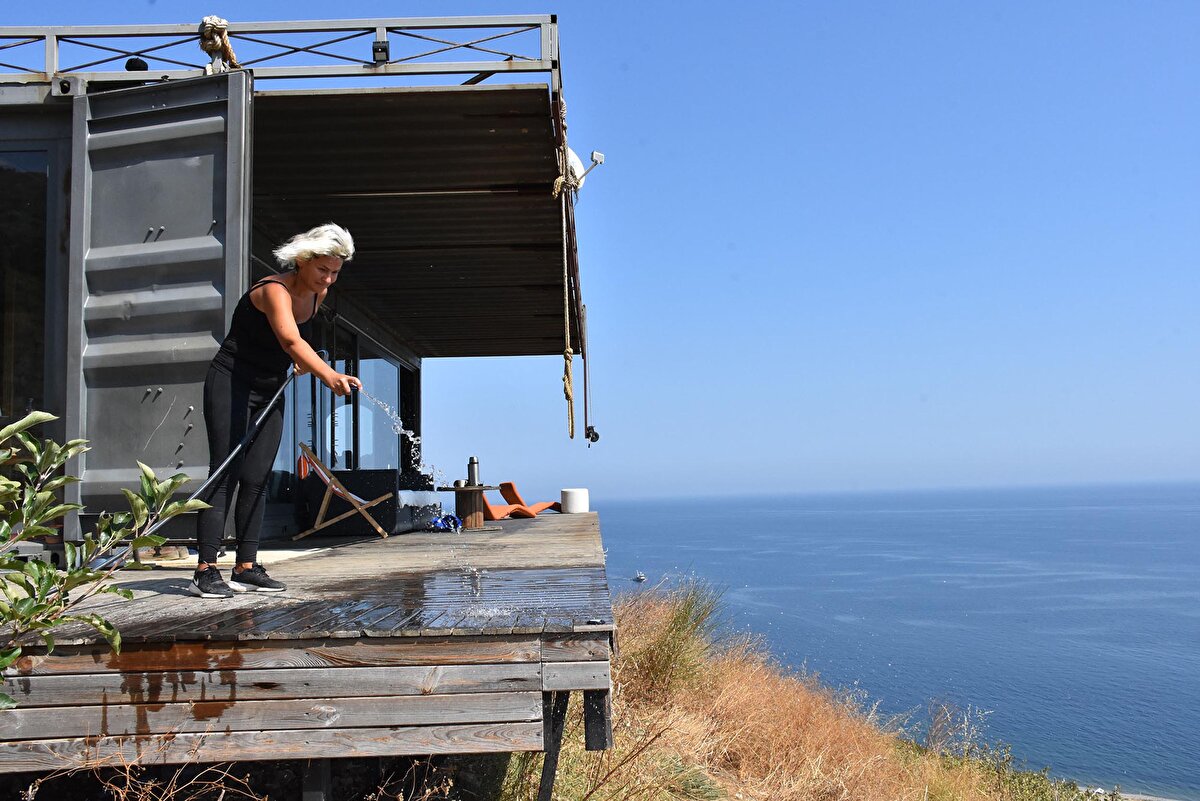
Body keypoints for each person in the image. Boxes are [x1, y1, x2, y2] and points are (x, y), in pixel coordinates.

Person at [190, 223, 361, 599]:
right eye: (322, 270)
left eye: (335, 272)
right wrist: (327, 373)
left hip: (270, 388)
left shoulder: (317, 296)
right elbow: (288, 338)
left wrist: (299, 363)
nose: (328, 279)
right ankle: (205, 569)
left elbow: (289, 346)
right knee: (224, 473)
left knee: (257, 476)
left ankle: (246, 565)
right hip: (232, 382)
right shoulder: (272, 289)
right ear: (302, 261)